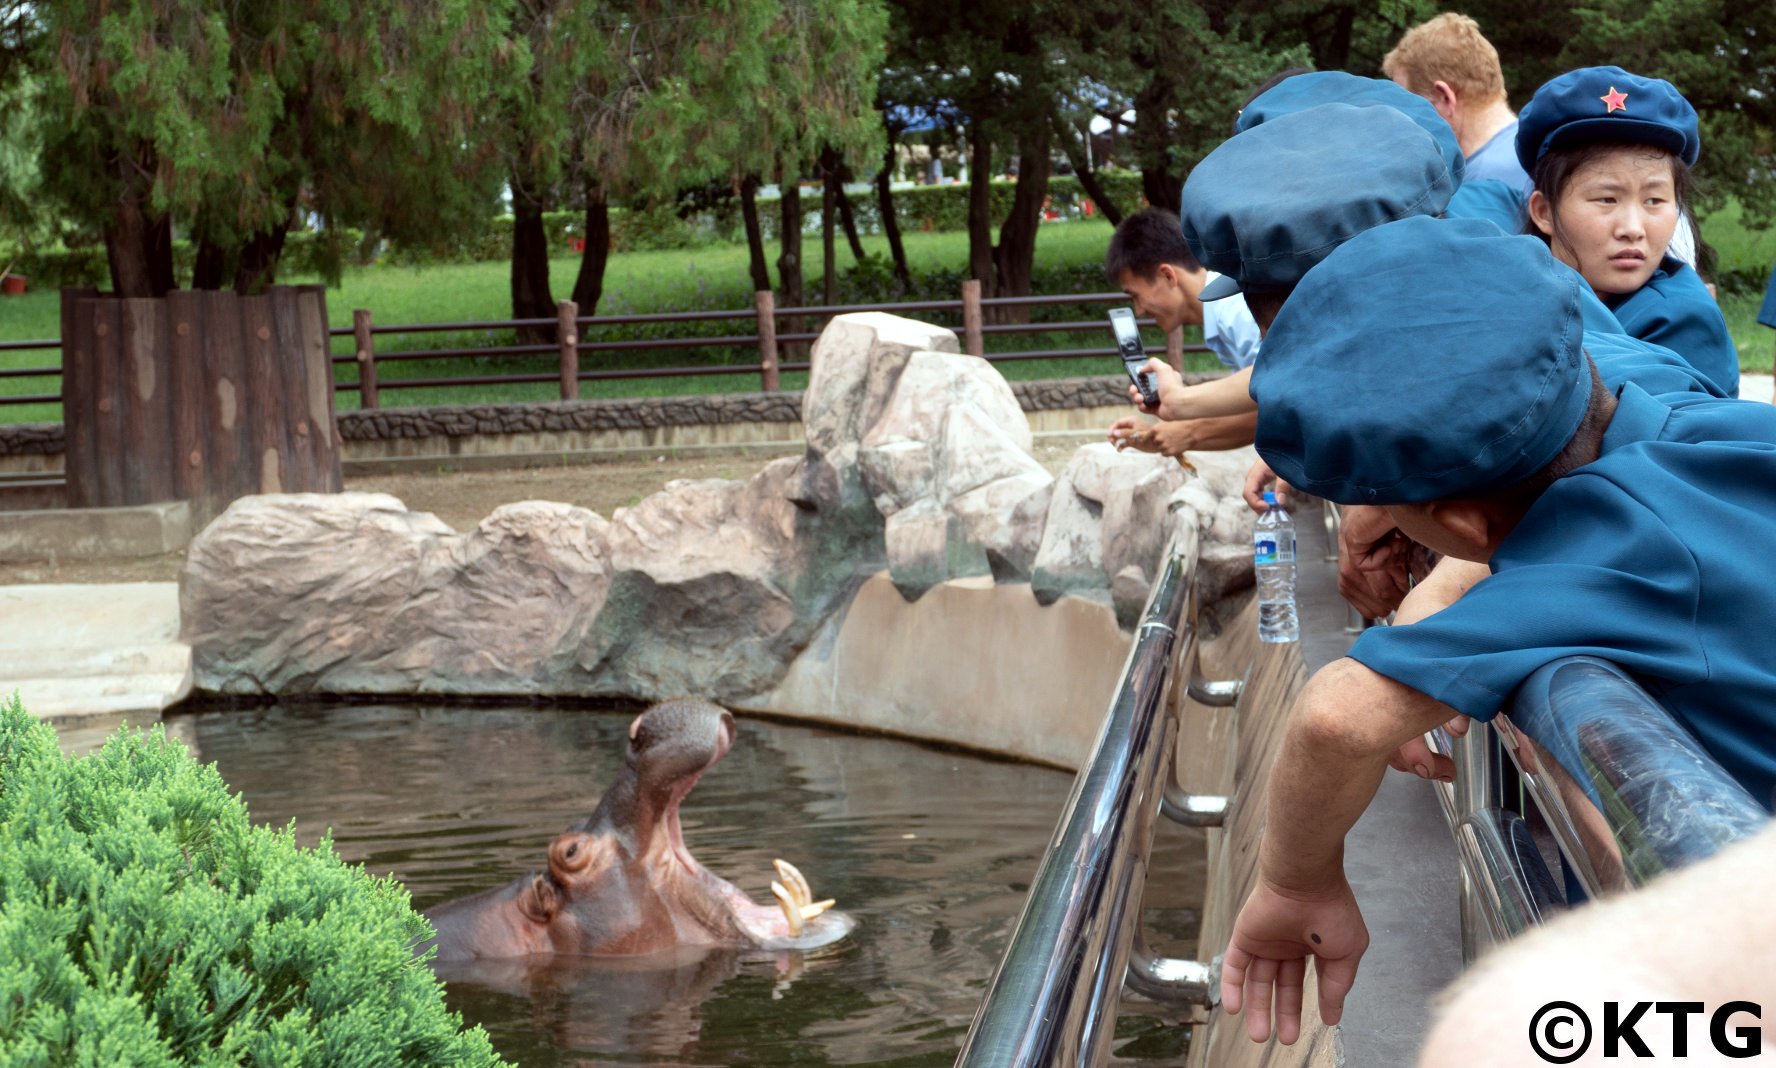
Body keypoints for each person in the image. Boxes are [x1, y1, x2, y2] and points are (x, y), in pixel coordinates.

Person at [1220, 214, 1776, 1046]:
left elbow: (1337, 718)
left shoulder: (1583, 569)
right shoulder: (1713, 420)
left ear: (1464, 526)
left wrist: (1294, 884)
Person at [1517, 65, 1738, 395]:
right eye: (1607, 199)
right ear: (1544, 211)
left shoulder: (1682, 323)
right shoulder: (1512, 290)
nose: (1633, 229)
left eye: (1654, 200)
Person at [1382, 13, 1528, 192]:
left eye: (1409, 107)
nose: (1407, 123)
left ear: (1444, 97)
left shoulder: (1480, 191)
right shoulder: (1538, 152)